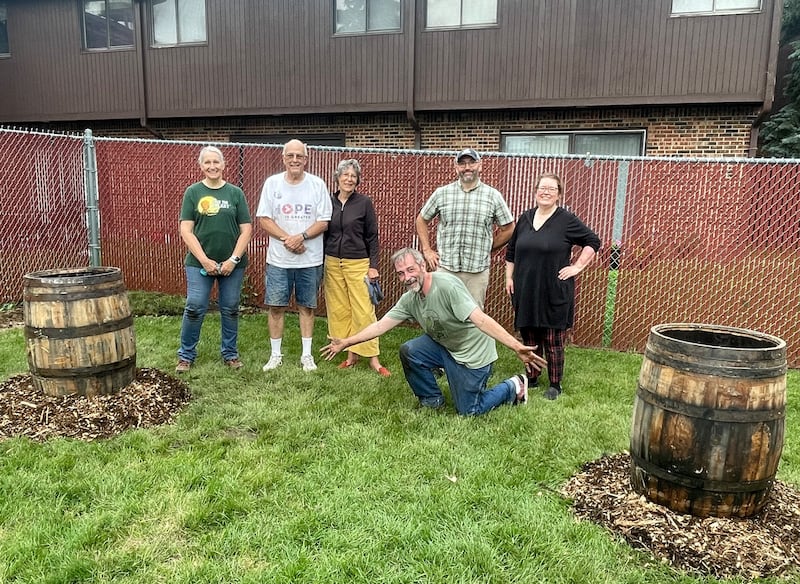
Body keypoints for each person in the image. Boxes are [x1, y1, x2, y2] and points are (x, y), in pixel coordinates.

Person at [321, 248, 547, 416]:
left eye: (410, 269)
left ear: (422, 266)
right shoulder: (410, 298)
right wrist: (346, 342)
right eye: (400, 273)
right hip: (446, 348)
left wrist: (515, 346)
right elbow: (381, 325)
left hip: (472, 356)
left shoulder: (447, 286)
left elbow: (480, 319)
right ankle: (431, 399)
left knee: (470, 411)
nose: (407, 277)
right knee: (410, 350)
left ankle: (513, 386)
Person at [504, 173, 600, 400]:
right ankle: (533, 377)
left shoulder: (565, 220)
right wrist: (509, 278)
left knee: (552, 338)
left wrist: (577, 266)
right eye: (542, 188)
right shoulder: (525, 218)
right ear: (535, 191)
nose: (545, 192)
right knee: (529, 335)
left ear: (559, 194)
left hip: (553, 288)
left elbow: (593, 241)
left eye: (551, 189)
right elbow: (511, 252)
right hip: (525, 288)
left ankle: (555, 384)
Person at [256, 139, 333, 372]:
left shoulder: (317, 185)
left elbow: (324, 221)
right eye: (290, 156)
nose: (295, 160)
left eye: (299, 156)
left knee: (307, 307)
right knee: (276, 307)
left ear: (306, 159)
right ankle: (275, 355)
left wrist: (301, 237)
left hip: (309, 259)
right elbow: (264, 219)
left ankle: (306, 356)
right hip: (279, 260)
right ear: (283, 158)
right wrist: (287, 239)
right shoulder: (272, 184)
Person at [176, 145, 253, 372]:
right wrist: (204, 260)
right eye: (207, 163)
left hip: (233, 265)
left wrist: (233, 260)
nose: (212, 166)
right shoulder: (193, 192)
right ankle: (186, 356)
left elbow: (246, 229)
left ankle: (230, 354)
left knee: (230, 308)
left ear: (223, 165)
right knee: (195, 307)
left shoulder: (235, 193)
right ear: (201, 166)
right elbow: (186, 230)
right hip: (199, 264)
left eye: (216, 162)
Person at [415, 148, 515, 309]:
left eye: (472, 163)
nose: (467, 167)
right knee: (441, 313)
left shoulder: (493, 196)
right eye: (462, 164)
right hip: (446, 268)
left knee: (473, 318)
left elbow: (509, 228)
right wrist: (427, 250)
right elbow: (421, 220)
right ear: (456, 168)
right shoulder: (442, 193)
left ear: (480, 166)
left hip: (476, 273)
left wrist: (488, 247)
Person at [323, 159, 390, 377]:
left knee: (364, 310)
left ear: (357, 180)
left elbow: (372, 236)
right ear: (337, 178)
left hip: (358, 263)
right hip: (332, 263)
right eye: (345, 175)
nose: (349, 179)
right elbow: (323, 232)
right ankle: (350, 355)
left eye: (353, 176)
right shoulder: (327, 201)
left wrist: (373, 266)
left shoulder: (364, 203)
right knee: (339, 310)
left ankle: (373, 358)